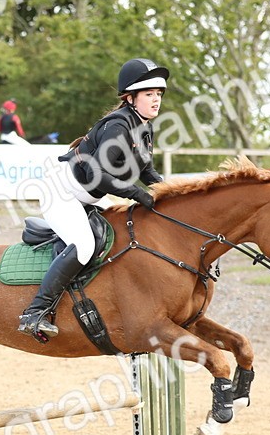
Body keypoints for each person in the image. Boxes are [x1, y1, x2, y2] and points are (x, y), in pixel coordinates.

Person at [16, 58, 169, 341]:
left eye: (159, 94)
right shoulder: (117, 127)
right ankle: (34, 312)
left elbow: (147, 171)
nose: (156, 100)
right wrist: (137, 194)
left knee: (125, 229)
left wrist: (171, 194)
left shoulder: (144, 128)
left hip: (88, 196)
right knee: (84, 246)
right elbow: (98, 175)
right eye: (149, 94)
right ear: (131, 97)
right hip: (61, 193)